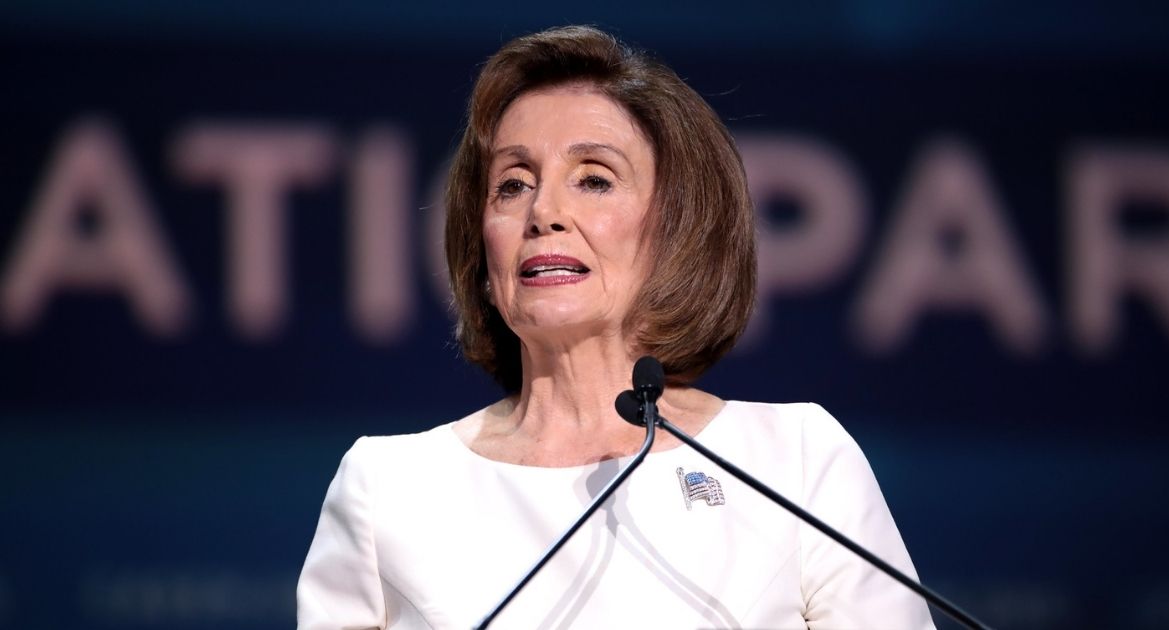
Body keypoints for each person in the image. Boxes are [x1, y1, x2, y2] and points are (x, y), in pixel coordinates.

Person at [298, 25, 935, 630]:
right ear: (483, 251)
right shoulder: (390, 488)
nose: (544, 211)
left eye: (594, 179)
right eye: (512, 185)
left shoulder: (793, 462)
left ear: (676, 230)